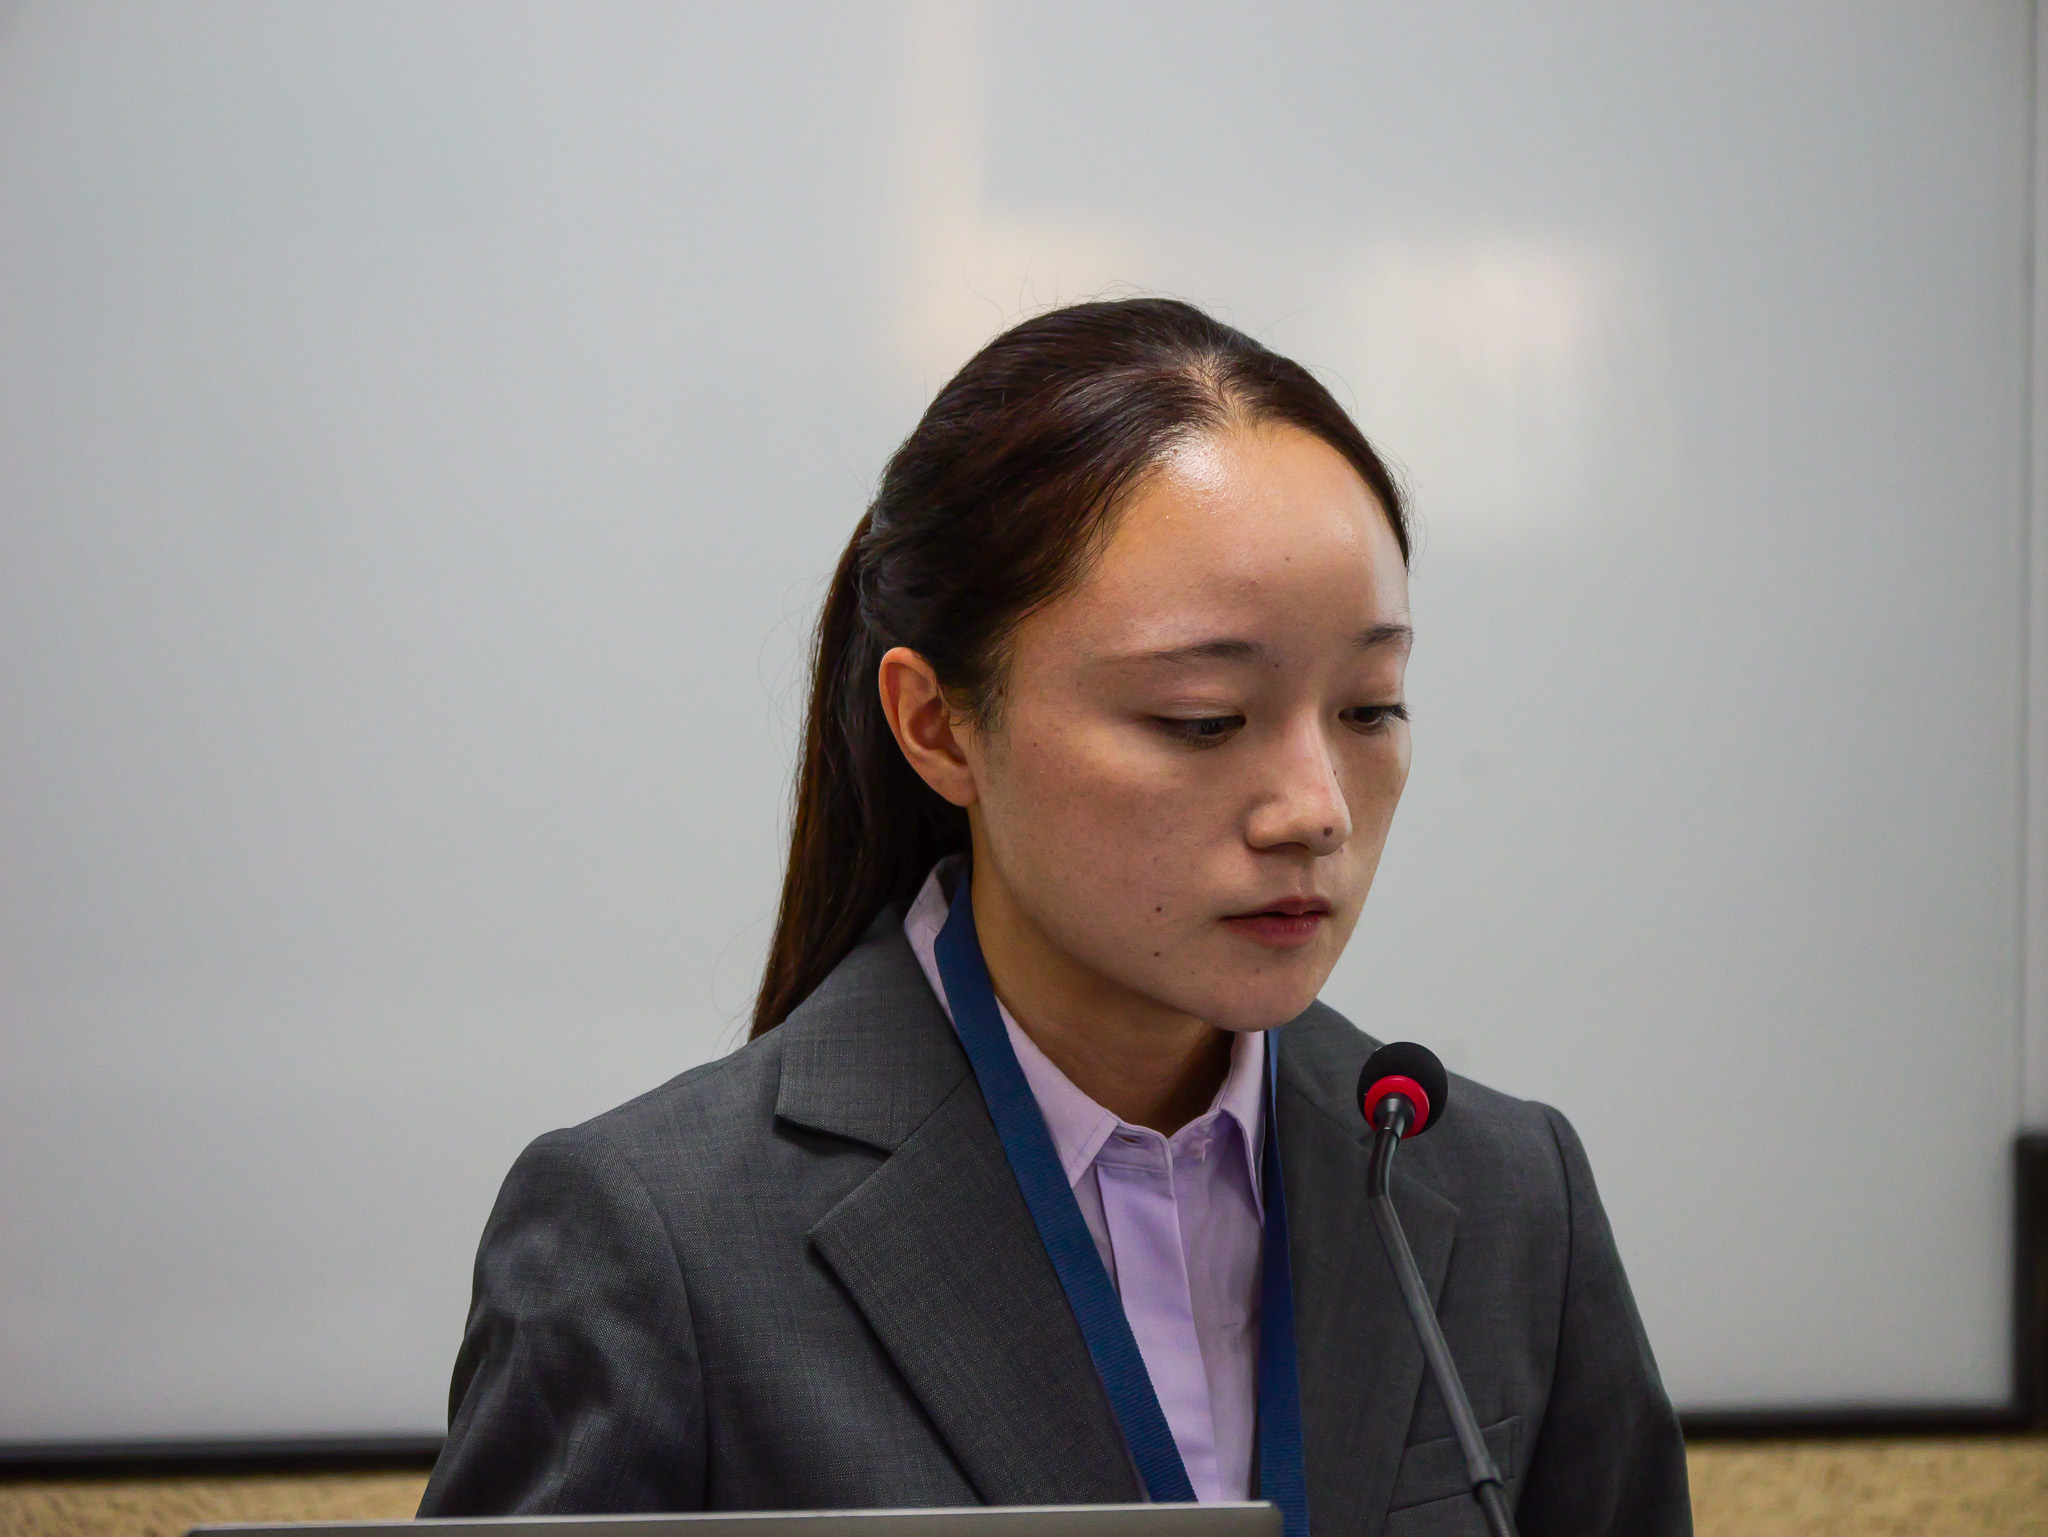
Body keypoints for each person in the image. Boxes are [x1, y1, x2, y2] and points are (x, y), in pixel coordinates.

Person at [418, 298, 1691, 1536]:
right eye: (1202, 718)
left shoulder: (1503, 1195)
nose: (1314, 809)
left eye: (1368, 707)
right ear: (937, 724)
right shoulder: (661, 1242)